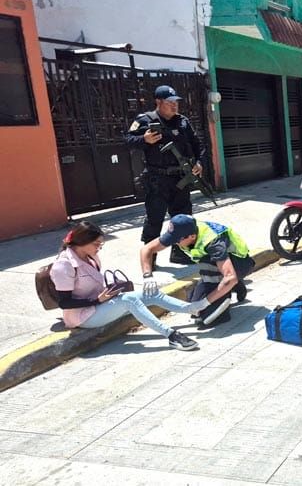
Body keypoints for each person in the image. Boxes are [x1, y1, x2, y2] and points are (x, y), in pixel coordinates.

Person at [50, 221, 205, 350]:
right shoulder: (64, 265)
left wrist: (107, 293)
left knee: (151, 293)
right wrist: (97, 300)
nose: (99, 248)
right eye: (96, 244)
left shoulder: (90, 256)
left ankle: (193, 310)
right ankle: (171, 335)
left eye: (101, 244)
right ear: (82, 241)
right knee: (129, 300)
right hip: (83, 316)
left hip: (100, 304)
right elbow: (64, 303)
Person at [126, 85, 207, 267]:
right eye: (169, 102)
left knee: (183, 217)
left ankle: (180, 253)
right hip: (158, 179)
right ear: (158, 102)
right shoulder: (145, 120)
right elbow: (128, 141)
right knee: (155, 218)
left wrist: (199, 163)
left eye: (175, 102)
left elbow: (197, 144)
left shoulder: (183, 122)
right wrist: (143, 140)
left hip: (181, 178)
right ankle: (150, 257)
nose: (174, 106)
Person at [139, 214, 255, 328]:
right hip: (221, 266)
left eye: (177, 240)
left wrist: (204, 303)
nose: (174, 242)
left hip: (240, 263)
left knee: (207, 317)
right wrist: (147, 276)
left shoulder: (213, 242)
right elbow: (147, 249)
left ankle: (225, 301)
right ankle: (232, 286)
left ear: (192, 237)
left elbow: (230, 277)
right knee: (194, 307)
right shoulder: (182, 230)